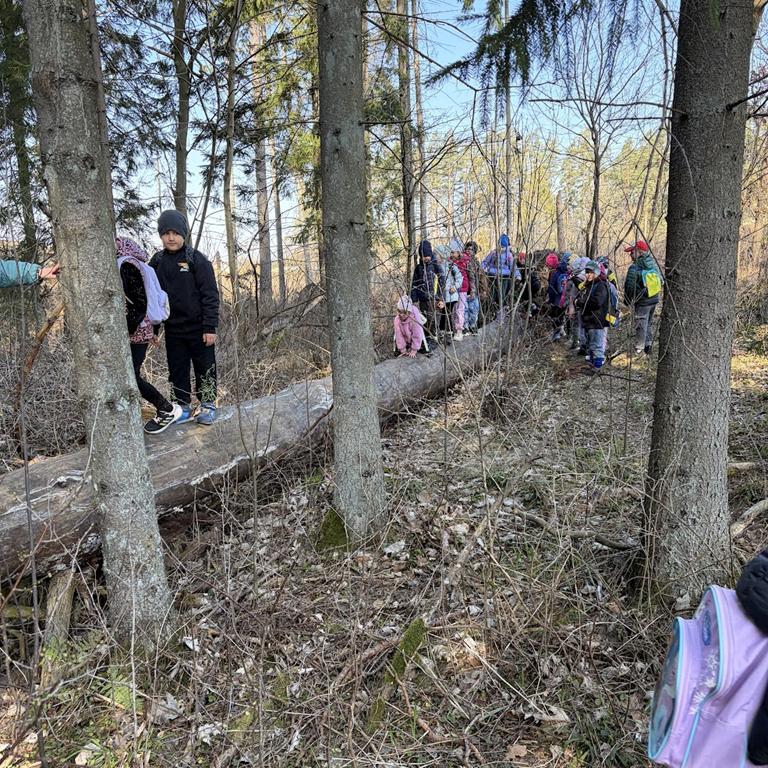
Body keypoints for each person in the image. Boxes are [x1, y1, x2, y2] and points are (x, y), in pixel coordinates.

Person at [150, 210, 220, 425]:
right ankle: (182, 407)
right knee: (177, 370)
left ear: (184, 234)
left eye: (176, 233)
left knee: (205, 367)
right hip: (173, 329)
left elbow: (210, 294)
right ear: (161, 235)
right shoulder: (157, 262)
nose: (171, 238)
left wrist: (210, 327)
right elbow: (152, 298)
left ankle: (208, 405)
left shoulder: (196, 259)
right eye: (166, 233)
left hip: (199, 329)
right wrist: (153, 329)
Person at [117, 238, 182, 434]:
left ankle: (166, 409)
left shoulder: (127, 264)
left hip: (135, 330)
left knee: (131, 376)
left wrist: (126, 330)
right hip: (142, 328)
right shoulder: (140, 264)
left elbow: (138, 303)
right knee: (129, 375)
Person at [623, 240, 661, 356]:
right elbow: (660, 280)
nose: (630, 254)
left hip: (642, 301)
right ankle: (648, 346)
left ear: (640, 252)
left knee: (640, 323)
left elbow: (629, 287)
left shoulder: (634, 268)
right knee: (648, 322)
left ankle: (639, 348)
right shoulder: (653, 264)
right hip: (654, 299)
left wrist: (627, 301)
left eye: (632, 252)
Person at [577, 260, 610, 368]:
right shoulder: (589, 285)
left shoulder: (601, 285)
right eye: (587, 272)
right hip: (588, 320)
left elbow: (597, 302)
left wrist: (580, 302)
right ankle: (592, 365)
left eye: (591, 272)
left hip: (596, 320)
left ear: (596, 272)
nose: (588, 275)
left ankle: (597, 368)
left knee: (597, 346)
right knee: (591, 345)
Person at [410, 239, 444, 343]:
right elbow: (414, 284)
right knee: (425, 320)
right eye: (423, 256)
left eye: (427, 255)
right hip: (423, 300)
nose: (425, 258)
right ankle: (428, 339)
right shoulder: (418, 268)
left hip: (435, 300)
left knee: (434, 320)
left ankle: (435, 339)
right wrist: (414, 300)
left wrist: (441, 299)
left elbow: (442, 283)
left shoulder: (436, 266)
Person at [482, 234, 519, 313]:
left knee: (502, 294)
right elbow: (485, 262)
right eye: (500, 246)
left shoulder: (509, 255)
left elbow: (513, 267)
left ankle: (501, 310)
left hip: (504, 277)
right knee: (492, 294)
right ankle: (491, 310)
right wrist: (481, 268)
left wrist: (517, 275)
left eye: (503, 247)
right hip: (492, 276)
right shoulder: (493, 253)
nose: (501, 248)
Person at [434, 245, 463, 342]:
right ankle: (443, 334)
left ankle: (448, 334)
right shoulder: (435, 267)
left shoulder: (451, 265)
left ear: (442, 255)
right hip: (441, 296)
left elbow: (459, 277)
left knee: (447, 314)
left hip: (451, 296)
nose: (435, 257)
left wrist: (454, 287)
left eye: (436, 254)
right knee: (442, 315)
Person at [449, 237, 470, 341]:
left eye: (454, 252)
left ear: (459, 252)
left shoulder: (465, 261)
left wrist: (472, 290)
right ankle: (453, 329)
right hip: (452, 289)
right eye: (451, 252)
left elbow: (470, 276)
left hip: (462, 289)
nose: (452, 254)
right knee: (453, 310)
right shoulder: (449, 262)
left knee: (460, 310)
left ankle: (459, 330)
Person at [464, 240, 487, 332]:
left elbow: (482, 277)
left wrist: (483, 290)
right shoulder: (462, 261)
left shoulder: (476, 264)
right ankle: (465, 327)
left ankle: (473, 326)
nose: (469, 251)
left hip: (475, 291)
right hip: (464, 290)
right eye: (468, 249)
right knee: (465, 310)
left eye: (472, 250)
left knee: (474, 309)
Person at [545, 251, 568, 340]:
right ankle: (562, 330)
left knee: (555, 316)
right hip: (565, 298)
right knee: (561, 315)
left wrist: (550, 300)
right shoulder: (567, 271)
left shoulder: (554, 273)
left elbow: (551, 288)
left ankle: (556, 334)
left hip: (556, 299)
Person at [516, 251, 541, 317]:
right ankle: (531, 309)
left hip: (531, 285)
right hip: (528, 285)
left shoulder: (527, 267)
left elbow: (527, 277)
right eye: (521, 258)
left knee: (527, 297)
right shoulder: (517, 266)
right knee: (526, 298)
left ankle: (532, 310)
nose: (523, 260)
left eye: (524, 259)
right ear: (519, 258)